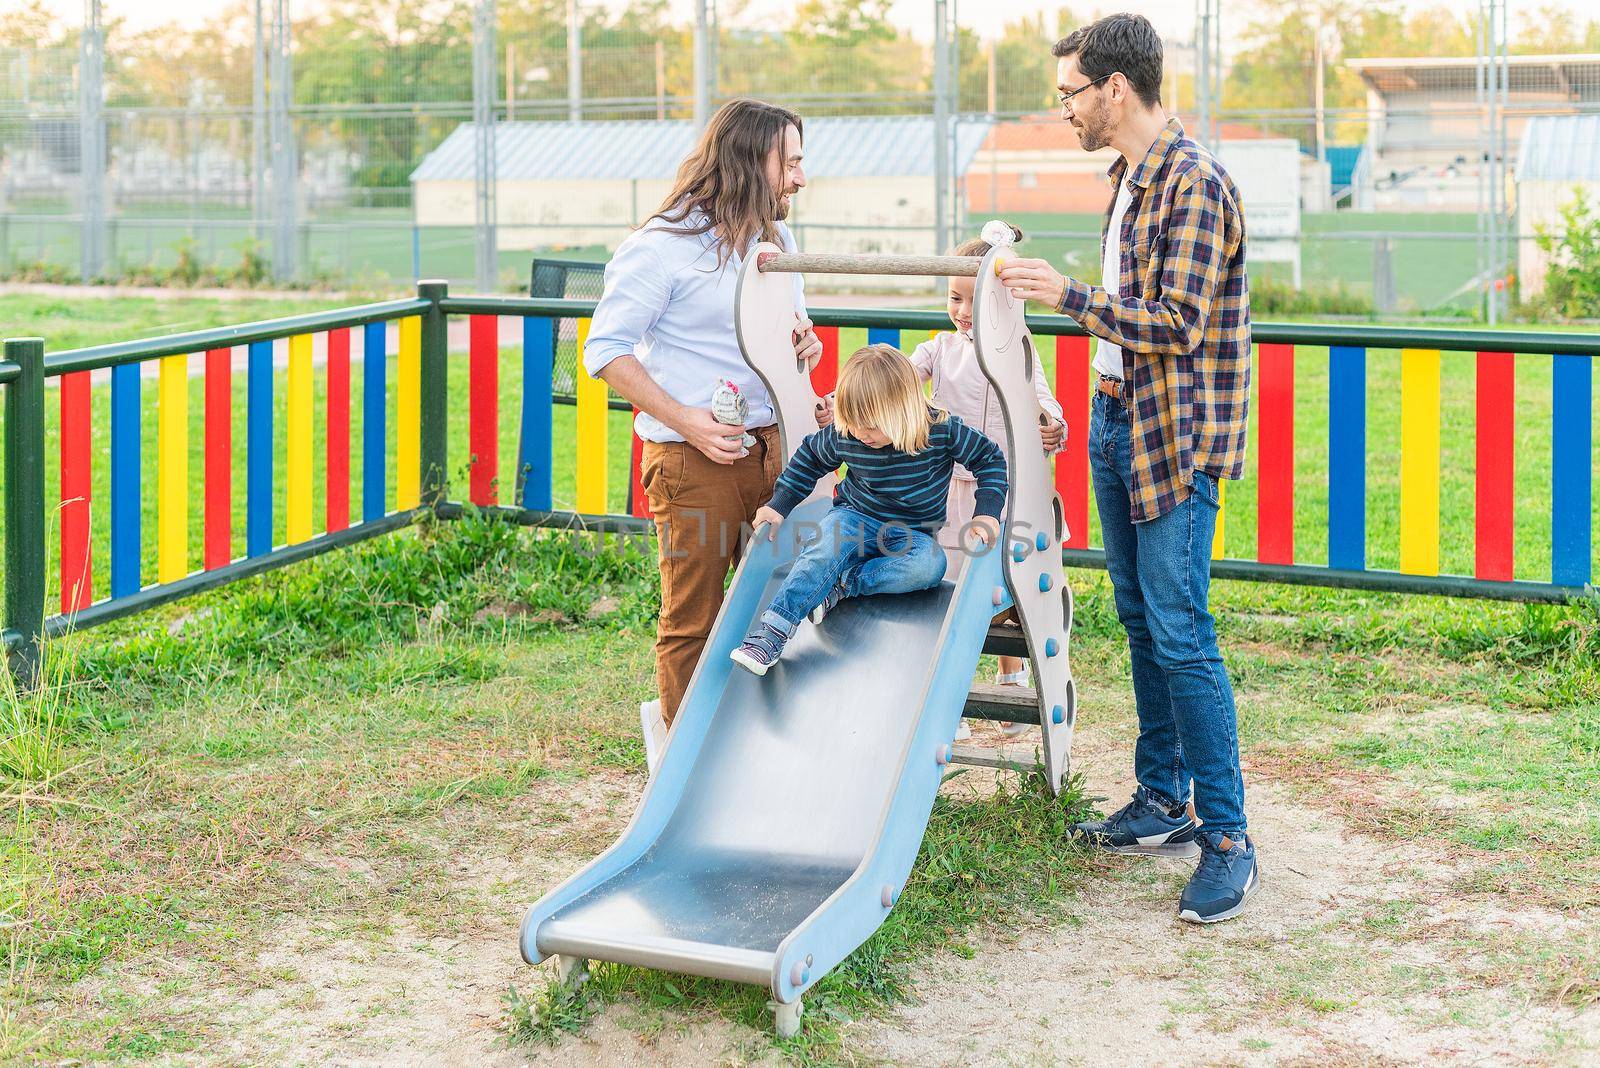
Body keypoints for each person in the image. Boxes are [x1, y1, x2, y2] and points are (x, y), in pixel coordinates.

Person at [996, 13, 1258, 924]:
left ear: (1115, 87)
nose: (1063, 108)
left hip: (1175, 437)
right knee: (1144, 619)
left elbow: (1177, 322)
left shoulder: (1193, 186)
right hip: (1118, 420)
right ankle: (1162, 800)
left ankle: (1227, 838)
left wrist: (1066, 295)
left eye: (1070, 91)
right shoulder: (1132, 184)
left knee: (1182, 628)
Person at [582, 100, 826, 764]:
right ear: (751, 161)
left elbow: (792, 336)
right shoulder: (663, 246)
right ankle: (682, 762)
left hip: (777, 453)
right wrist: (688, 422)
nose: (802, 178)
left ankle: (752, 748)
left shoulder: (779, 242)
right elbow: (604, 351)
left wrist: (803, 341)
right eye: (792, 162)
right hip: (694, 460)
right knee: (696, 616)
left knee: (780, 597)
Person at [731, 344, 1008, 675]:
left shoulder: (941, 431)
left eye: (872, 426)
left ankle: (843, 584)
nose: (862, 434)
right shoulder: (849, 433)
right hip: (853, 516)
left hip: (911, 535)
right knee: (821, 552)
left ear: (903, 411)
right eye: (854, 423)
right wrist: (779, 506)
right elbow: (810, 459)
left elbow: (989, 459)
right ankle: (771, 634)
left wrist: (987, 512)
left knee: (930, 565)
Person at [909, 222, 1065, 736]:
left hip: (1001, 489)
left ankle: (1012, 674)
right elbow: (905, 377)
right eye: (954, 298)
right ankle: (945, 696)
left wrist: (1050, 423)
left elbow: (1041, 397)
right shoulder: (941, 349)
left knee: (1001, 582)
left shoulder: (1015, 348)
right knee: (953, 586)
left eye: (972, 301)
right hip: (951, 488)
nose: (960, 311)